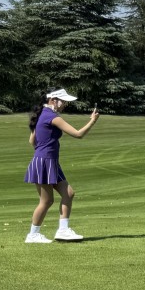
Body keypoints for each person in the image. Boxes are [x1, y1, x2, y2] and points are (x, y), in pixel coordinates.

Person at [24, 88, 99, 243]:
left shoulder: (41, 115)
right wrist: (93, 120)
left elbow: (32, 141)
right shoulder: (53, 117)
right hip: (45, 162)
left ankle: (63, 230)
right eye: (63, 101)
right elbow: (78, 134)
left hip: (48, 161)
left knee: (68, 193)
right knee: (46, 201)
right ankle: (33, 235)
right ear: (53, 100)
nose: (65, 104)